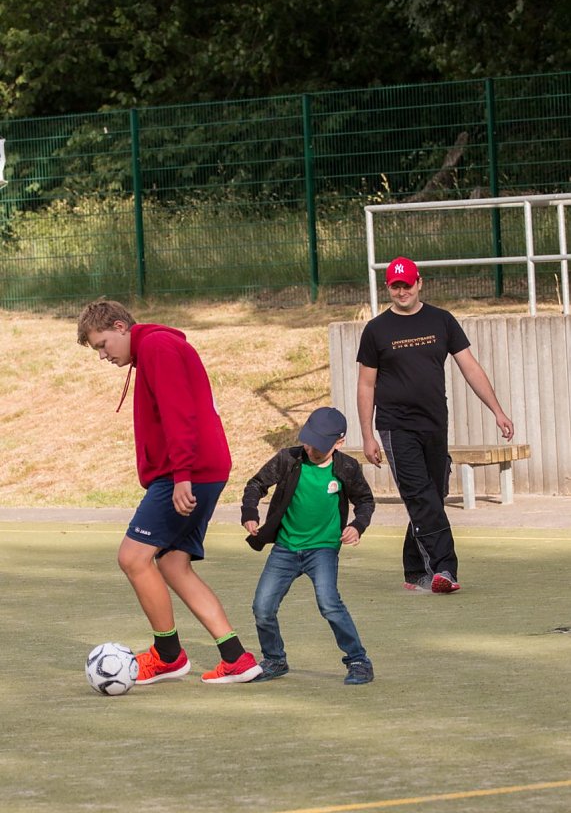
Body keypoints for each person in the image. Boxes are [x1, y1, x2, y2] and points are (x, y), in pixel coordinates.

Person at [77, 299, 262, 684]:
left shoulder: (158, 348)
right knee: (173, 564)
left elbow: (181, 414)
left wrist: (181, 476)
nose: (102, 355)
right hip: (199, 469)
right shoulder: (154, 349)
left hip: (188, 471)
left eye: (102, 345)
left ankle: (168, 655)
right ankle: (236, 658)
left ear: (119, 326)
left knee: (132, 557)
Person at [357, 257, 514, 594]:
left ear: (419, 283)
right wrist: (368, 434)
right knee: (422, 497)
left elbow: (470, 367)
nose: (402, 291)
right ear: (388, 287)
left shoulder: (442, 320)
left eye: (407, 284)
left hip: (435, 424)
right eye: (395, 285)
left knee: (434, 494)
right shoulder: (376, 330)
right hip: (396, 426)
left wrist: (497, 411)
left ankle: (415, 571)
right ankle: (445, 569)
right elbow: (366, 385)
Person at [241, 407, 375, 685]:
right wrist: (250, 513)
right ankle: (275, 660)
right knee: (262, 607)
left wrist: (357, 526)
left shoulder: (347, 467)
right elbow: (255, 485)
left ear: (338, 443)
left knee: (329, 604)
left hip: (323, 549)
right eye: (308, 440)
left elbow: (365, 502)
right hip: (285, 549)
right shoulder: (288, 459)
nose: (311, 448)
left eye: (319, 445)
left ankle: (358, 661)